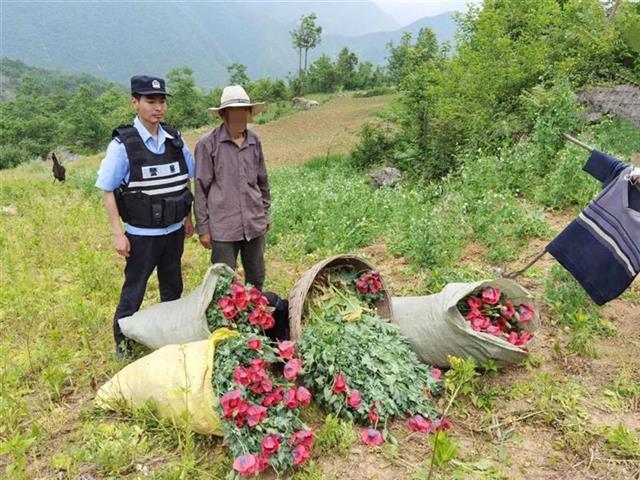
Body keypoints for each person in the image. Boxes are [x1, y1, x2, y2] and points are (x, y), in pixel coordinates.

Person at [95, 75, 195, 360]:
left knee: (173, 286)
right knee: (134, 290)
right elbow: (107, 190)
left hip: (174, 232)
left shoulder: (175, 140)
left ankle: (170, 339)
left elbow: (184, 180)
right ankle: (123, 345)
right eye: (150, 101)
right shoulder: (123, 145)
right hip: (141, 236)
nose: (157, 107)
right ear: (135, 102)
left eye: (161, 100)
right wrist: (118, 233)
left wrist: (187, 217)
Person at [194, 85, 271, 290]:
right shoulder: (207, 144)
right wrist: (203, 228)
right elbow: (200, 188)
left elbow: (262, 181)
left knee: (256, 276)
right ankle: (227, 321)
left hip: (254, 221)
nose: (240, 117)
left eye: (243, 111)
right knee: (224, 282)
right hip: (223, 226)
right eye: (233, 112)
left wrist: (265, 214)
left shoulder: (255, 141)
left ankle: (255, 318)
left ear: (248, 113)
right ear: (223, 114)